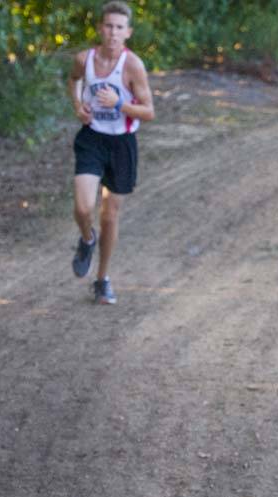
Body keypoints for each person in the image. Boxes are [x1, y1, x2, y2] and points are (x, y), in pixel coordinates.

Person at [67, 1, 154, 305]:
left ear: (127, 32)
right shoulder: (84, 59)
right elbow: (74, 80)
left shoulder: (133, 66)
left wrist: (118, 104)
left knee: (109, 216)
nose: (113, 32)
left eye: (119, 27)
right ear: (100, 28)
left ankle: (102, 279)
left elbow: (149, 111)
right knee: (82, 208)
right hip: (92, 138)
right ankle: (87, 240)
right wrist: (79, 106)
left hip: (122, 144)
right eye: (108, 26)